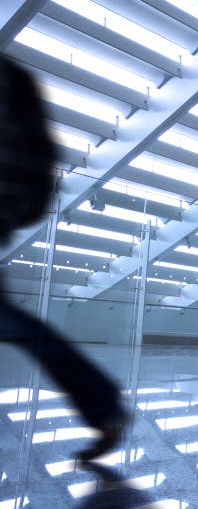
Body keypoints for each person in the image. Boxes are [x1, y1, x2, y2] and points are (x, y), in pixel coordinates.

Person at [0, 55, 126, 461]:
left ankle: (104, 406)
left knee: (15, 325)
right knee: (17, 325)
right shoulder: (15, 76)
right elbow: (42, 153)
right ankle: (104, 407)